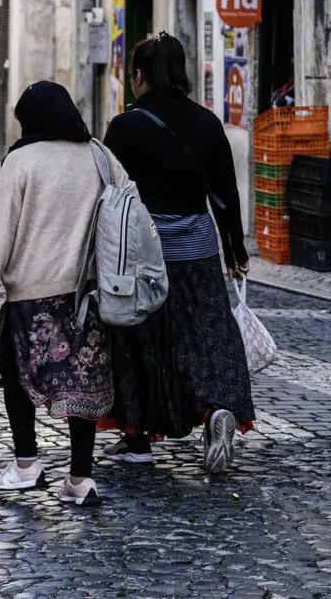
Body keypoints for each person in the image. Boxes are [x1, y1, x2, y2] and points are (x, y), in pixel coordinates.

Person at [0, 81, 129, 506]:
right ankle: (80, 478)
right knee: (84, 384)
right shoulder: (99, 155)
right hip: (86, 294)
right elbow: (128, 205)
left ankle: (25, 465)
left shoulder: (21, 160)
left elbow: (1, 227)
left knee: (20, 379)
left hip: (30, 294)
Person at [101, 32, 255, 473]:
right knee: (205, 334)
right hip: (198, 248)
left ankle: (137, 439)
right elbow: (225, 194)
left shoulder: (126, 126)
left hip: (142, 254)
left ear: (140, 76)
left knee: (139, 341)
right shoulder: (207, 123)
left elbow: (110, 196)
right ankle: (213, 411)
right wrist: (235, 250)